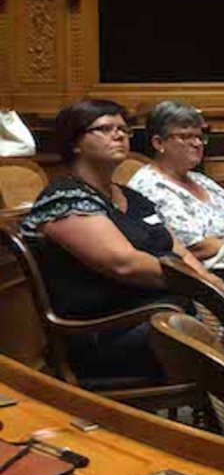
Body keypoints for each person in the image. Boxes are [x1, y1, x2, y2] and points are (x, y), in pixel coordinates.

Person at [19, 99, 207, 381]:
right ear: (75, 143)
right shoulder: (65, 199)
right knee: (207, 328)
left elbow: (176, 248)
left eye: (123, 129)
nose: (119, 135)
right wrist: (198, 285)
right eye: (105, 129)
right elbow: (125, 264)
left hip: (161, 311)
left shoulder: (132, 197)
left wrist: (210, 284)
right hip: (107, 331)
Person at [126, 100, 224, 267]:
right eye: (186, 136)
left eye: (200, 137)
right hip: (203, 272)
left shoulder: (203, 181)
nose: (197, 144)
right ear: (159, 143)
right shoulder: (149, 186)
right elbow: (195, 246)